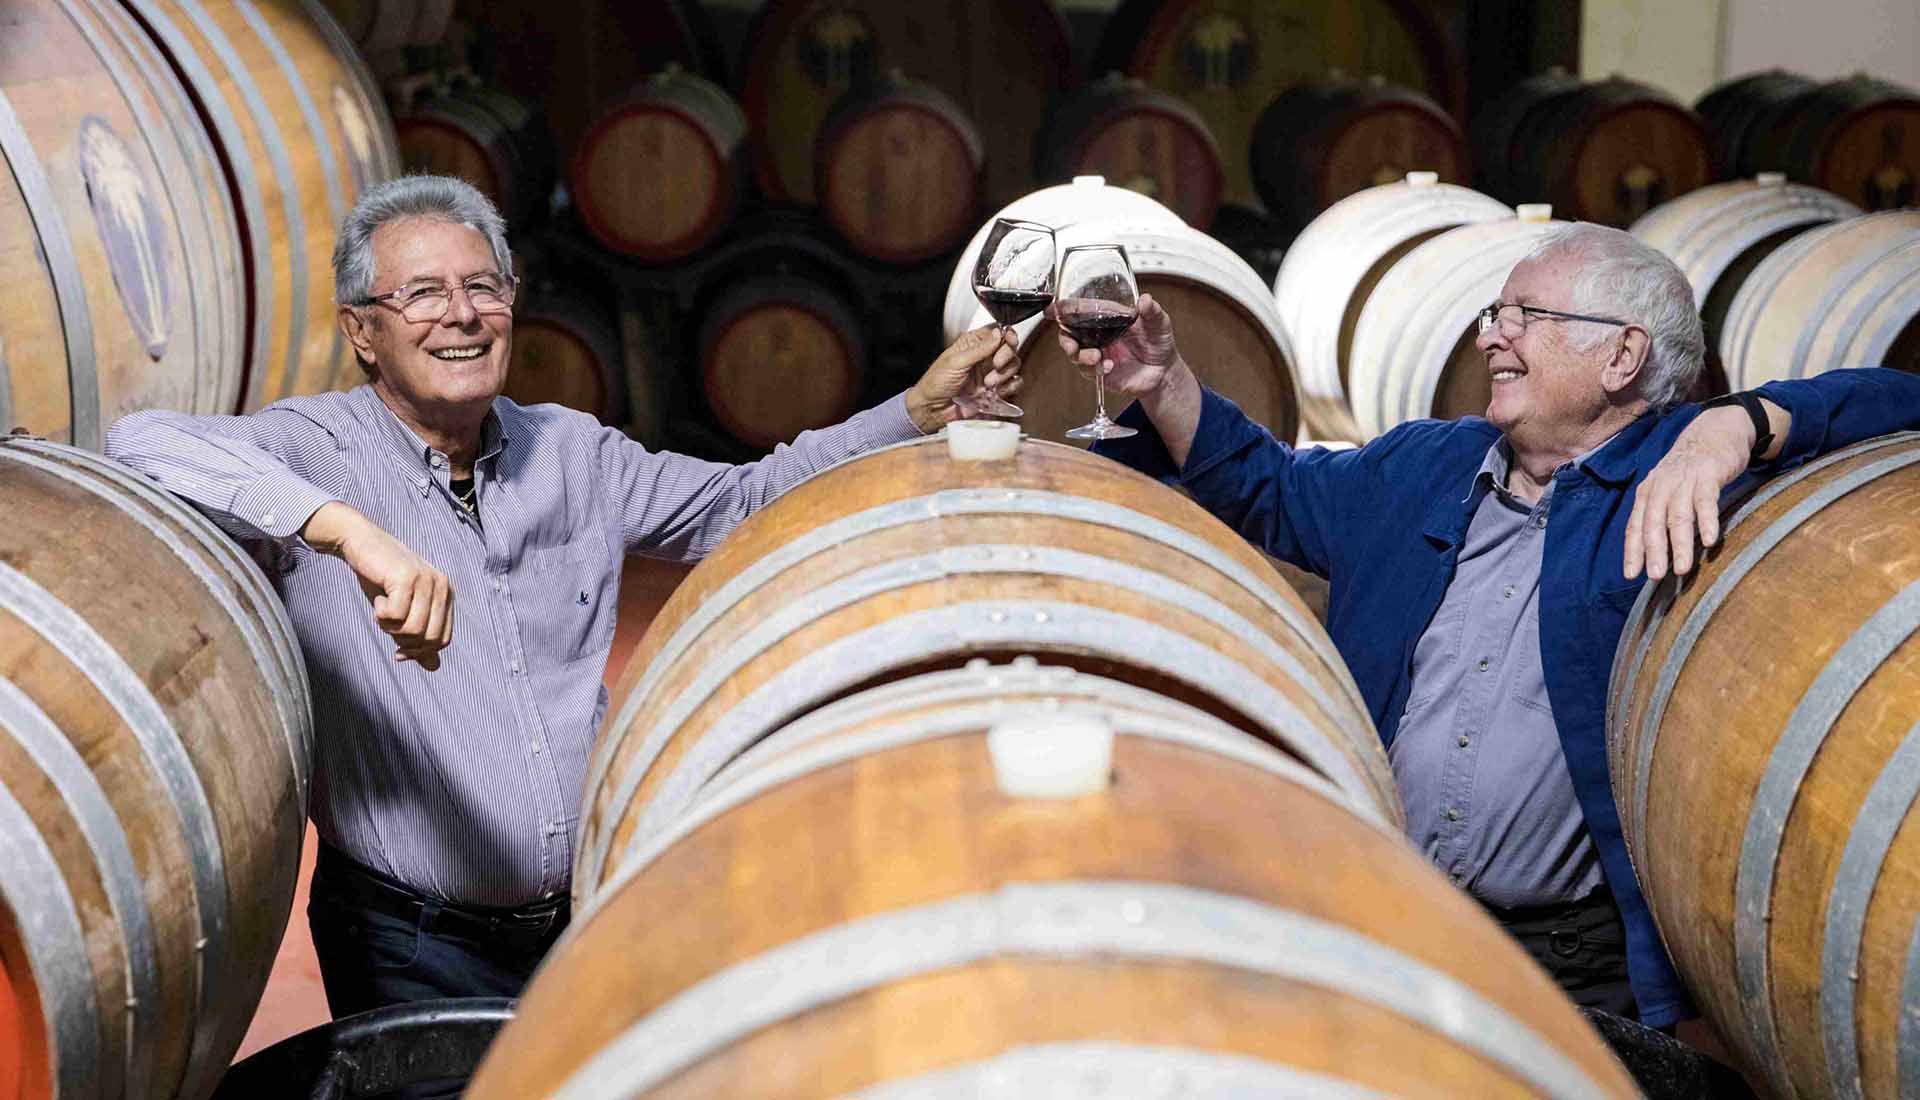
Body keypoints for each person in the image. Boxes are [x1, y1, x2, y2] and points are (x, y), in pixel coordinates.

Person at [104, 175, 1021, 1019]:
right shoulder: (312, 447)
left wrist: (914, 413)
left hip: (586, 918)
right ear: (361, 332)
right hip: (410, 940)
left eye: (484, 287)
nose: (461, 316)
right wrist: (343, 528)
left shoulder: (573, 453)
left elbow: (745, 501)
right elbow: (142, 443)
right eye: (421, 293)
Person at [1061, 223, 1920, 1035]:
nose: (1489, 338)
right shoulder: (1424, 466)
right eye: (1492, 315)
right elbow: (1271, 488)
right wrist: (1163, 382)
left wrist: (1741, 420)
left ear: (1623, 354)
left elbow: (1902, 398)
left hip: (1569, 964)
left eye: (1526, 318)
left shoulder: (1683, 488)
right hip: (1384, 908)